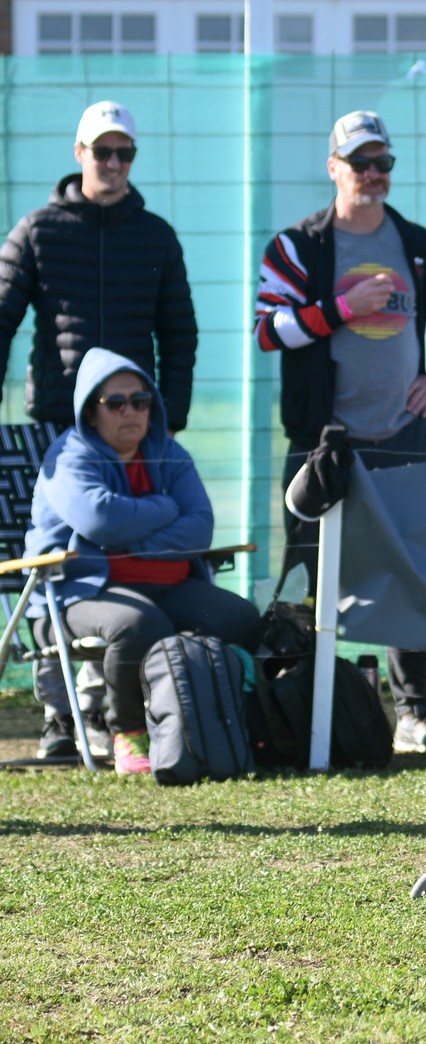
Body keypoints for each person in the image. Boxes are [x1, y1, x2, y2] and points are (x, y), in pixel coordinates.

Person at [253, 110, 426, 756]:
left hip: (402, 434)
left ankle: (413, 713)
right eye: (360, 163)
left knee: (410, 572)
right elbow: (268, 330)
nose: (373, 174)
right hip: (323, 438)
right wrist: (343, 309)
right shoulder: (298, 246)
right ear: (334, 168)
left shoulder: (419, 245)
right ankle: (296, 706)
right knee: (307, 574)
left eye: (383, 163)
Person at [0, 100, 199, 760]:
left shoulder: (157, 235)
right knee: (57, 569)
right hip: (60, 423)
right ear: (79, 153)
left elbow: (179, 332)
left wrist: (168, 420)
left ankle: (116, 709)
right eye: (102, 151)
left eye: (125, 153)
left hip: (135, 421)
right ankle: (60, 719)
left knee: (126, 560)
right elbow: (1, 316)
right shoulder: (38, 230)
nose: (113, 163)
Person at [23, 348, 261, 774]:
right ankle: (128, 734)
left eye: (140, 401)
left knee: (240, 618)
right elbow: (101, 518)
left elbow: (200, 527)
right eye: (115, 402)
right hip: (78, 593)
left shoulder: (169, 452)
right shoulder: (70, 455)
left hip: (169, 587)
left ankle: (226, 727)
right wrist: (166, 508)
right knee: (138, 625)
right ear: (91, 411)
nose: (130, 411)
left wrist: (129, 542)